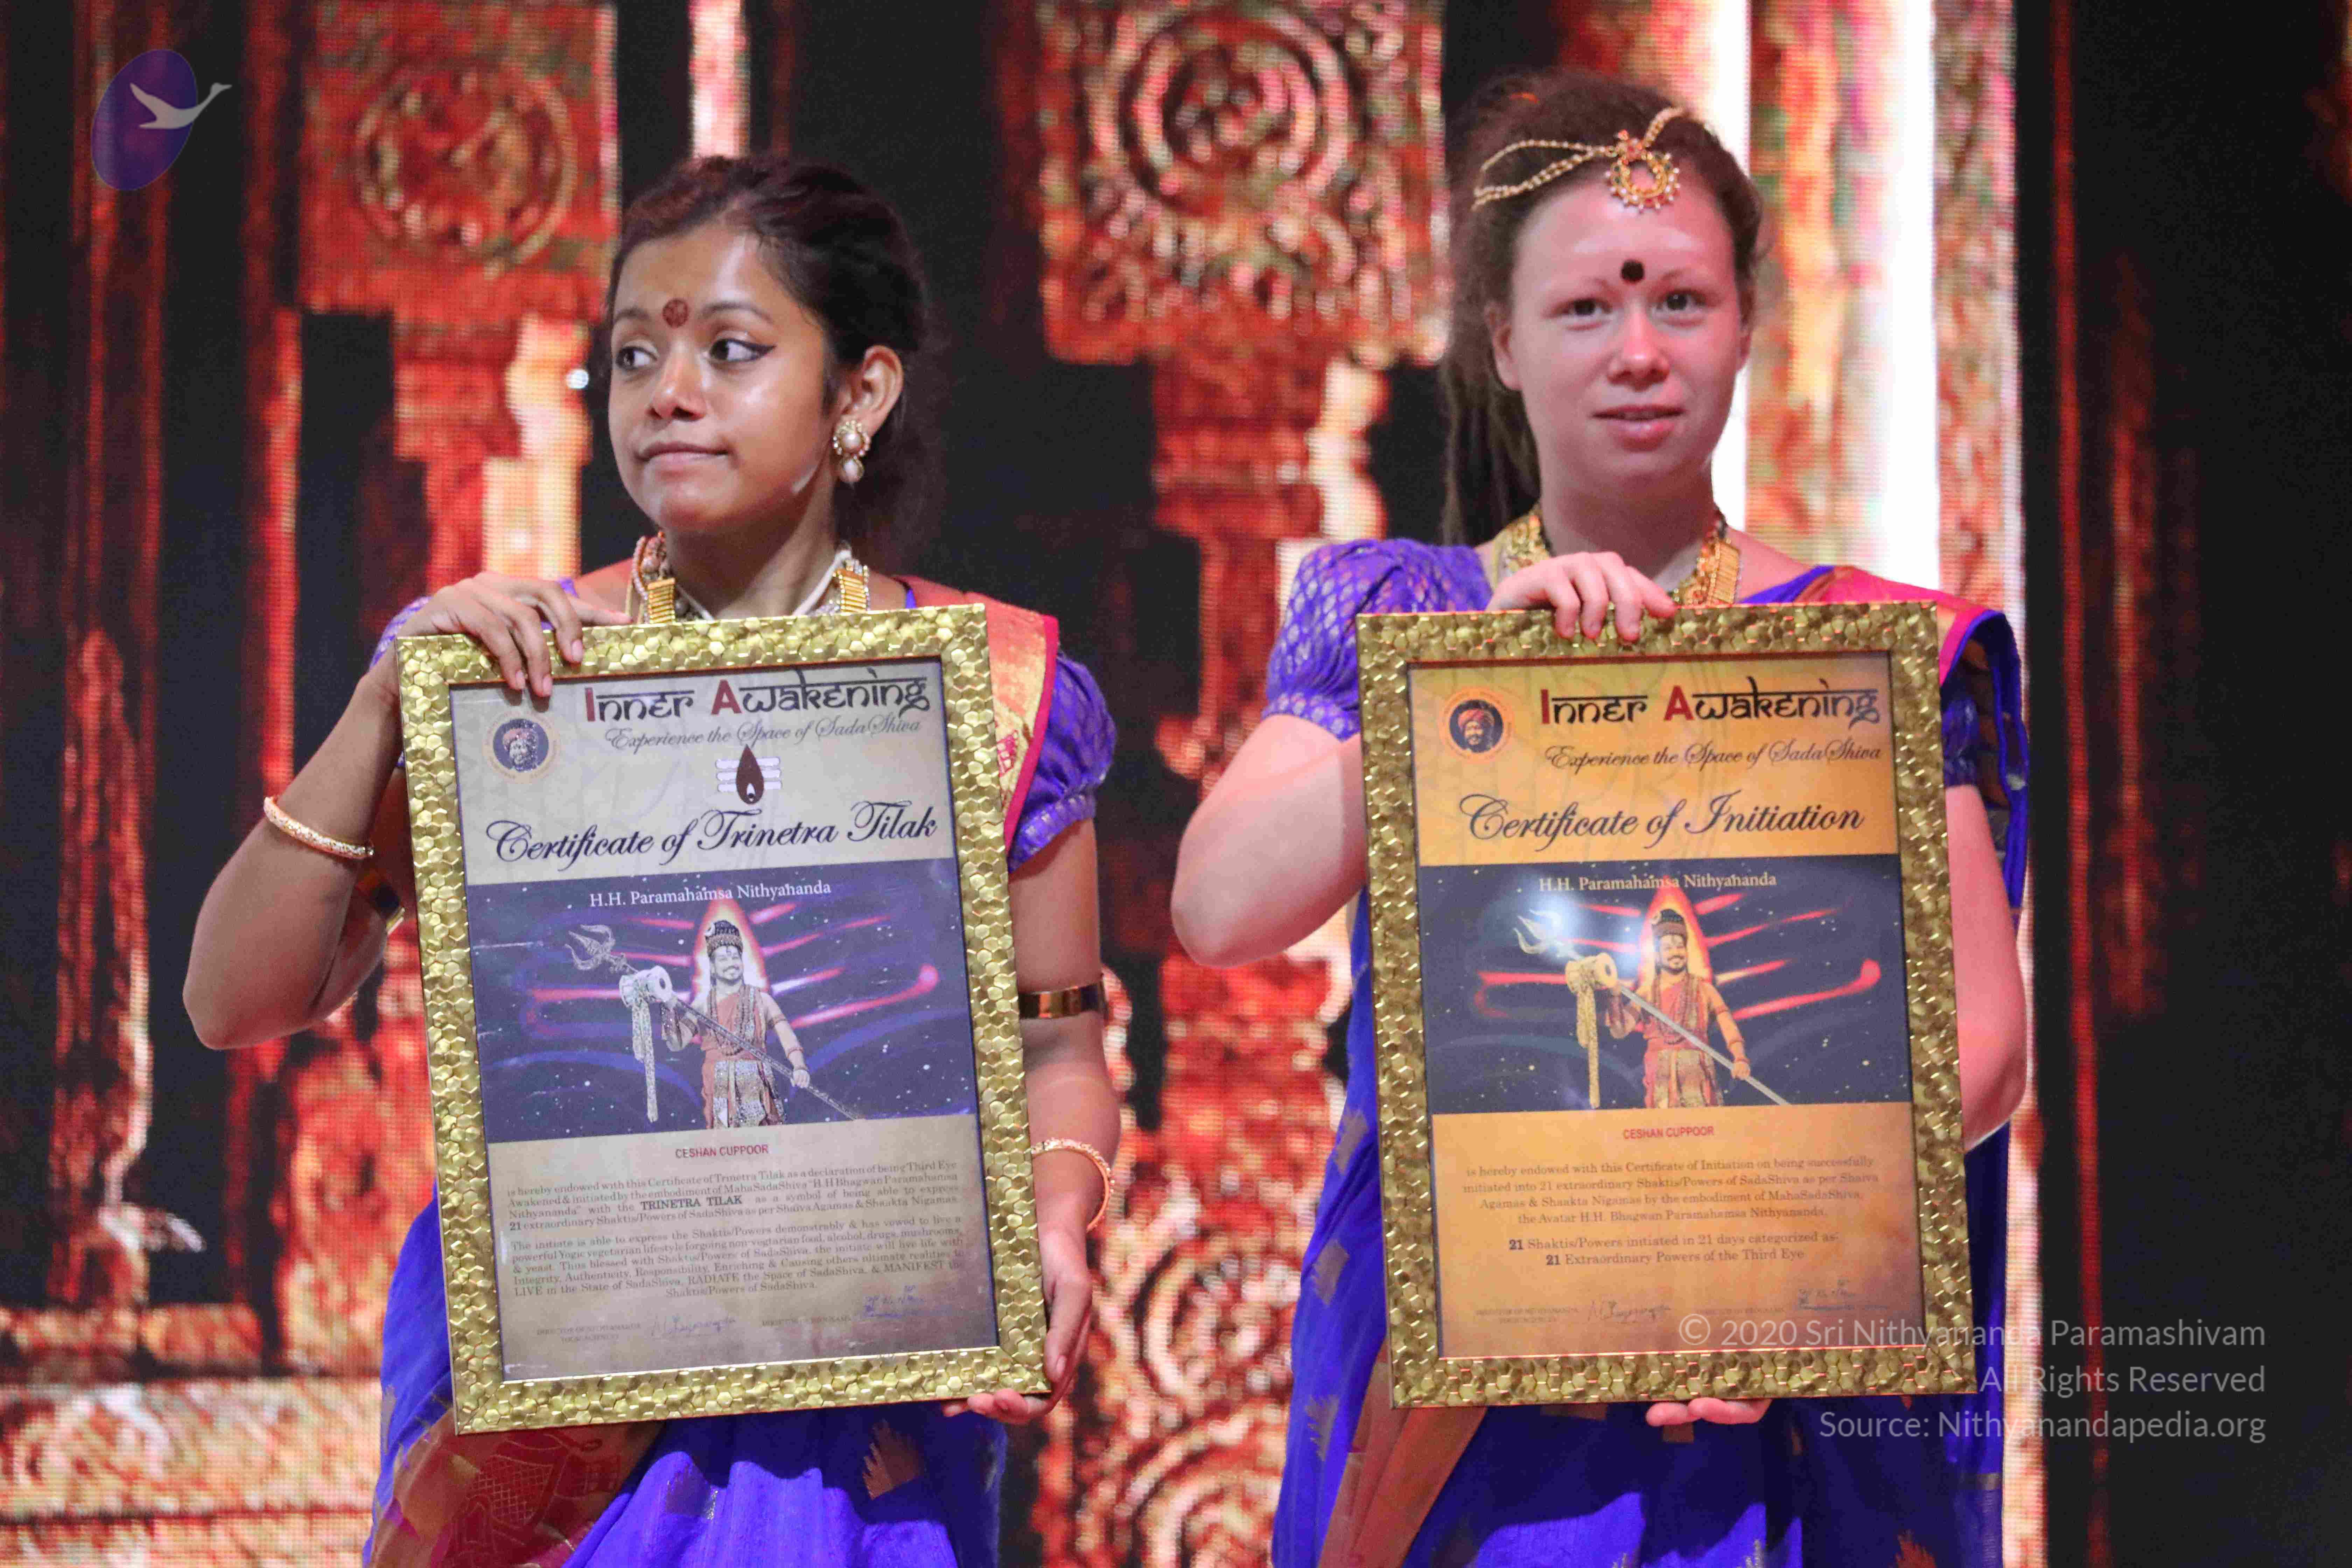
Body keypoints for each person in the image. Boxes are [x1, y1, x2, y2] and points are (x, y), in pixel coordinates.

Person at [185, 153, 1121, 1566]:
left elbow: (1058, 1045)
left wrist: (1055, 1222)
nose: (668, 393)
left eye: (730, 350)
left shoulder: (991, 691)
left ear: (860, 393)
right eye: (634, 355)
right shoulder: (510, 675)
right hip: (550, 1410)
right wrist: (384, 698)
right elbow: (233, 1003)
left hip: (860, 1390)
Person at [1172, 70, 2028, 1568]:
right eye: (1582, 309)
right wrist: (1459, 683)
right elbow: (1219, 906)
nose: (1636, 351)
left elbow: (1981, 1041)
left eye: (1678, 301)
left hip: (1760, 1360)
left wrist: (1783, 1277)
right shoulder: (1407, 612)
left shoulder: (1859, 651)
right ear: (1500, 342)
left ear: (1746, 324)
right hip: (1455, 1371)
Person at [619, 916, 813, 1129]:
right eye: (723, 959)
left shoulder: (763, 1000)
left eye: (735, 957)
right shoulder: (702, 1003)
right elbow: (676, 1044)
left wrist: (800, 1067)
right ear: (712, 967)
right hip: (719, 1092)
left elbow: (787, 1036)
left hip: (758, 1092)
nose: (731, 963)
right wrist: (668, 1007)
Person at [1606, 904, 1751, 1108]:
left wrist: (1740, 1058)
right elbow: (1620, 1031)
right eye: (1668, 948)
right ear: (1658, 955)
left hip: (1698, 1079)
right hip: (1660, 1079)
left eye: (1680, 946)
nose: (1675, 952)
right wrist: (1614, 999)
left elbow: (1728, 1026)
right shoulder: (1646, 992)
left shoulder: (1705, 990)